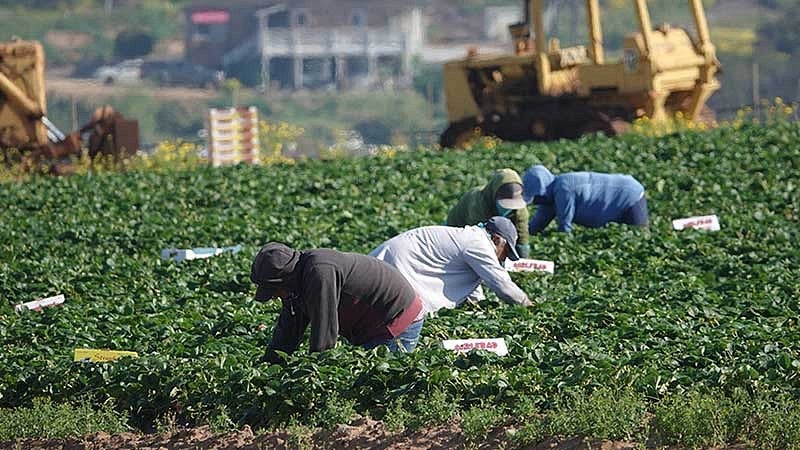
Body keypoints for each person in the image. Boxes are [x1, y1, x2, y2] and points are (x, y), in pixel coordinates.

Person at [250, 242, 423, 364]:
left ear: (284, 280)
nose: (275, 297)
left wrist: (315, 374)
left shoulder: (319, 272)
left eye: (274, 291)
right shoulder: (296, 284)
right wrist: (270, 365)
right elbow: (288, 329)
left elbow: (324, 334)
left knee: (374, 389)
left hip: (396, 320)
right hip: (373, 326)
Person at [370, 216, 532, 324]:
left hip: (401, 255)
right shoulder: (478, 243)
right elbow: (501, 283)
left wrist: (477, 306)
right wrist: (528, 305)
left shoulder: (472, 238)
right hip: (402, 261)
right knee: (397, 313)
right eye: (506, 252)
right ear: (496, 240)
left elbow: (473, 284)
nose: (503, 259)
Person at [522, 164, 649, 234]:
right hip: (617, 201)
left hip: (629, 195)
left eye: (536, 198)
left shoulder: (564, 188)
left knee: (639, 235)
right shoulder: (549, 199)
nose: (536, 202)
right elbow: (537, 224)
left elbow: (564, 225)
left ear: (542, 192)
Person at [446, 168, 531, 258]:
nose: (509, 208)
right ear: (495, 193)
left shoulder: (519, 206)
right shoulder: (478, 202)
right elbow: (477, 237)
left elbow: (522, 233)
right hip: (458, 228)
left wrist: (522, 256)